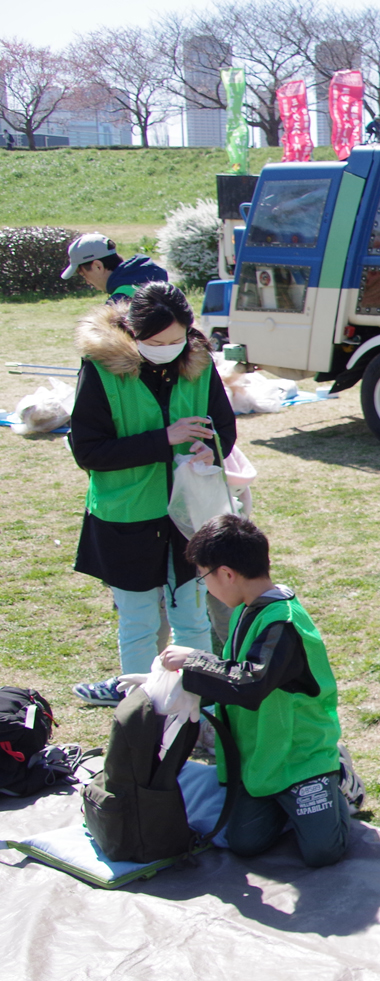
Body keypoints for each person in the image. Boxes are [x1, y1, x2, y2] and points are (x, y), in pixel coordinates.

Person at [130, 515, 349, 867]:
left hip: (300, 756)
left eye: (204, 577)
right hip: (260, 756)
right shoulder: (244, 610)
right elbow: (231, 676)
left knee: (323, 852)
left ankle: (337, 775)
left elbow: (251, 684)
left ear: (227, 574)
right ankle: (288, 806)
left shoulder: (282, 622)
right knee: (245, 842)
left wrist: (194, 661)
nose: (205, 587)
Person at [67, 282, 236, 706]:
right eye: (157, 343)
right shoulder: (100, 368)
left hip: (188, 515)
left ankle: (197, 700)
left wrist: (210, 448)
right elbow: (88, 451)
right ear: (132, 334)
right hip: (126, 516)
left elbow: (225, 430)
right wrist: (165, 438)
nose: (169, 349)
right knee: (139, 620)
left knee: (192, 616)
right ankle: (141, 707)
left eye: (177, 340)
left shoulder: (199, 362)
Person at [61, 233, 169, 303]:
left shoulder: (118, 302)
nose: (87, 282)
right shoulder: (160, 283)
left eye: (84, 275)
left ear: (98, 266)